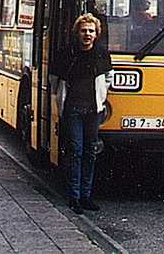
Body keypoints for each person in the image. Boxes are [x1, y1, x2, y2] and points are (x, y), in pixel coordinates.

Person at [50, 13, 112, 214]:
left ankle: (86, 196)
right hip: (73, 109)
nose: (87, 34)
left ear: (96, 34)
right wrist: (60, 99)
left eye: (91, 31)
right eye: (84, 30)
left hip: (93, 110)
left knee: (90, 152)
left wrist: (101, 98)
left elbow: (108, 77)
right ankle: (74, 197)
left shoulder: (102, 54)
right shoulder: (67, 53)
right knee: (76, 151)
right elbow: (54, 79)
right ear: (77, 33)